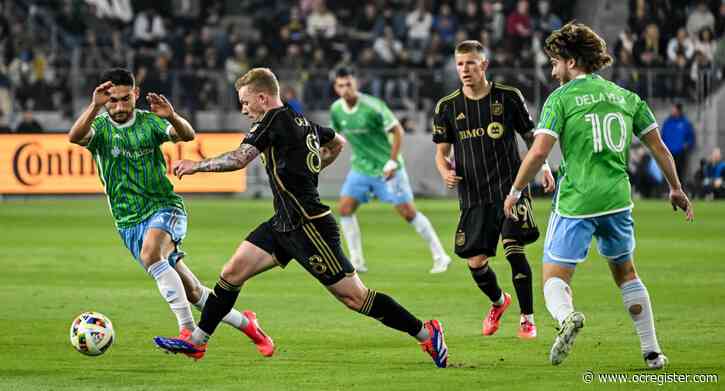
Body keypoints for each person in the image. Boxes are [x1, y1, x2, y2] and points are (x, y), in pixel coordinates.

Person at [152, 68, 449, 368]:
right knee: (231, 274)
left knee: (355, 298)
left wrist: (197, 166)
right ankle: (198, 342)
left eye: (244, 102)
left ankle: (426, 332)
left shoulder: (274, 119)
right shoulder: (301, 120)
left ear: (262, 97)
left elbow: (240, 158)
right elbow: (338, 143)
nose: (243, 109)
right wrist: (313, 167)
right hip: (283, 222)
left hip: (310, 225)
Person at [503, 22, 694, 369]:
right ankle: (652, 352)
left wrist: (516, 190)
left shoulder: (560, 99)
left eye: (555, 62)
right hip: (617, 199)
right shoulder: (626, 97)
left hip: (577, 200)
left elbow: (537, 153)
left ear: (572, 62)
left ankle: (566, 318)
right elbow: (659, 148)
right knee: (626, 274)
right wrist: (676, 187)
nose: (552, 69)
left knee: (554, 279)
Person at [68, 68, 274, 357]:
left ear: (135, 94)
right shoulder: (100, 127)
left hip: (164, 206)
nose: (118, 107)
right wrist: (94, 106)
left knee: (152, 254)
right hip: (128, 222)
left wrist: (171, 116)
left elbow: (186, 135)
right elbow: (74, 137)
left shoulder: (149, 123)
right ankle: (250, 326)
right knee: (192, 291)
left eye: (125, 99)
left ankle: (188, 332)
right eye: (112, 101)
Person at [432, 40, 556, 340]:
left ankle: (528, 319)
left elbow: (531, 137)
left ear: (484, 65)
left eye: (471, 63)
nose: (465, 69)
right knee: (475, 263)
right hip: (474, 196)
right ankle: (499, 302)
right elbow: (442, 153)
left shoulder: (509, 97)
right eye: (460, 64)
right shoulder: (447, 107)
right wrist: (445, 171)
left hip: (510, 187)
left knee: (514, 249)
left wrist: (544, 166)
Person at [331, 66, 451, 274]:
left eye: (348, 84)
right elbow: (336, 137)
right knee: (344, 209)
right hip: (360, 167)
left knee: (407, 212)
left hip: (387, 169)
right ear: (335, 87)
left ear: (355, 83)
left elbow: (398, 131)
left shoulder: (372, 106)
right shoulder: (336, 110)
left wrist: (392, 161)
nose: (345, 89)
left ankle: (441, 256)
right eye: (341, 85)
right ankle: (356, 262)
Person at [661, 102, 695, 182]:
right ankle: (668, 190)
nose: (672, 110)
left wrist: (686, 145)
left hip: (680, 153)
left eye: (674, 108)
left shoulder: (685, 123)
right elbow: (662, 136)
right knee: (668, 173)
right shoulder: (667, 122)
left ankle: (680, 190)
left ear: (678, 110)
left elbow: (691, 137)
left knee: (680, 173)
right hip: (668, 152)